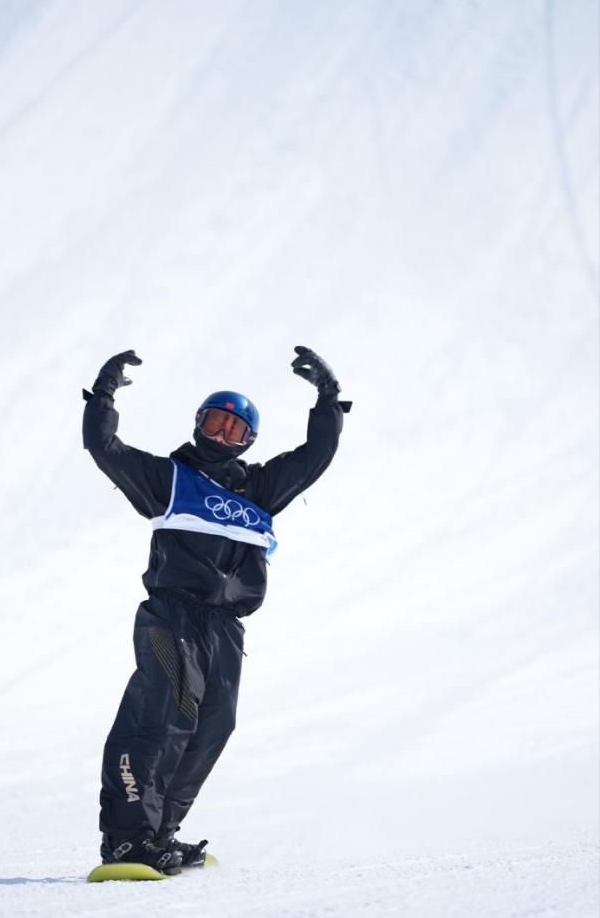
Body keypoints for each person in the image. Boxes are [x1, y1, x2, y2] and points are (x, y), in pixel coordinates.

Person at [82, 346, 351, 874]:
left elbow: (313, 457)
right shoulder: (169, 478)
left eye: (235, 430)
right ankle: (125, 839)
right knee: (162, 716)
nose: (222, 435)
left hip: (224, 627)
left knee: (214, 725)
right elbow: (104, 446)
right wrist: (104, 394)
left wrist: (327, 400)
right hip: (171, 614)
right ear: (198, 424)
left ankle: (159, 834)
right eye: (215, 423)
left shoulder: (259, 489)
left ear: (247, 440)